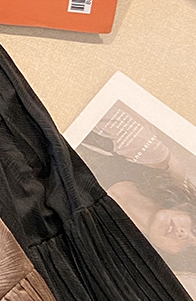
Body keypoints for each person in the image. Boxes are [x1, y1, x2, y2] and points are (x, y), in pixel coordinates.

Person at [78, 106, 196, 273]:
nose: (183, 234)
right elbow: (95, 107)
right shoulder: (154, 161)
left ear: (172, 258)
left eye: (189, 249)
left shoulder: (104, 242)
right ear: (188, 209)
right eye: (195, 228)